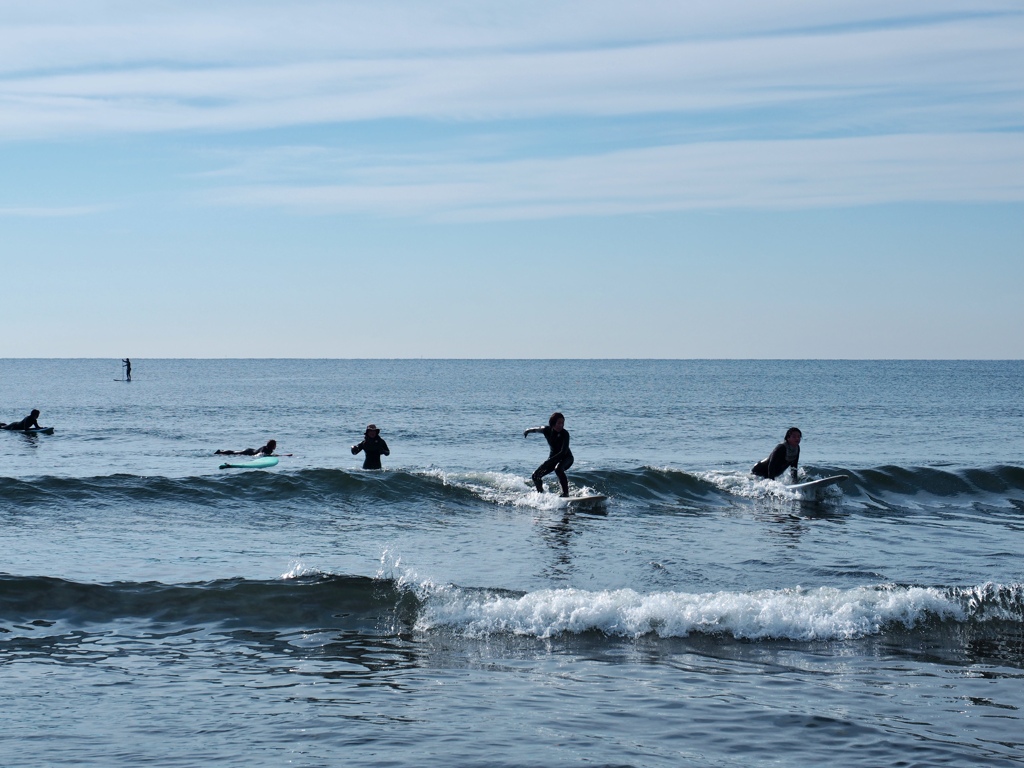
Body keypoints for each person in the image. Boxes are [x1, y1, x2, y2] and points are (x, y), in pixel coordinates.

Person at [524, 411, 574, 496]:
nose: (561, 425)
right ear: (553, 423)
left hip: (567, 458)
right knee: (535, 476)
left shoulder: (565, 434)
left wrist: (548, 461)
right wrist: (527, 431)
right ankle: (541, 494)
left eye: (562, 423)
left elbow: (563, 452)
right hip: (553, 459)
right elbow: (536, 429)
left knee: (558, 469)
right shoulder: (546, 430)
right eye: (559, 423)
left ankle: (566, 494)